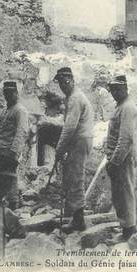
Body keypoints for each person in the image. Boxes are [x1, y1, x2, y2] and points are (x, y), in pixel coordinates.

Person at [53, 67, 94, 233]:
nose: (63, 86)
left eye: (65, 82)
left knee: (76, 177)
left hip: (81, 141)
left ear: (71, 80)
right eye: (60, 83)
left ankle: (79, 220)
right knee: (71, 177)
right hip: (78, 141)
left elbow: (69, 127)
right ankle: (74, 214)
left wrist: (59, 149)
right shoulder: (71, 97)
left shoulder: (76, 98)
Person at [0, 81, 29, 210]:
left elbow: (21, 132)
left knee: (9, 176)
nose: (8, 96)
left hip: (9, 150)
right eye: (6, 93)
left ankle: (14, 203)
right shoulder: (6, 109)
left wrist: (14, 151)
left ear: (16, 93)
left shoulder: (20, 110)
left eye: (11, 93)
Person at [106, 74, 137, 241]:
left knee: (125, 195)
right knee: (119, 195)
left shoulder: (128, 108)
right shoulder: (120, 106)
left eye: (118, 89)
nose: (114, 92)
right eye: (112, 89)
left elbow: (125, 138)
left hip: (123, 158)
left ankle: (129, 231)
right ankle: (126, 228)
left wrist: (114, 161)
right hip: (116, 158)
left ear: (125, 88)